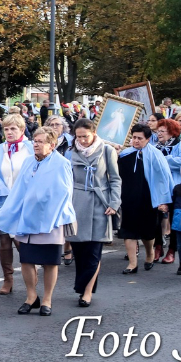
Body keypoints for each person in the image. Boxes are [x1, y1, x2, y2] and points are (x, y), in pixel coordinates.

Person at [0, 127, 75, 317]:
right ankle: (31, 296)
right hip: (27, 219)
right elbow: (19, 190)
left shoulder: (61, 163)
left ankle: (47, 300)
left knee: (50, 262)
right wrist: (8, 211)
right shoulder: (28, 161)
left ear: (52, 145)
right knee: (27, 260)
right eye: (35, 141)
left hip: (50, 220)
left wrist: (47, 209)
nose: (36, 144)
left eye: (40, 141)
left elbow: (65, 193)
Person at [65, 119, 121, 307]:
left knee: (94, 251)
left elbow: (115, 179)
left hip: (100, 203)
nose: (82, 140)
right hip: (77, 203)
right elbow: (65, 180)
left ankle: (87, 291)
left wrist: (114, 203)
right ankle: (83, 287)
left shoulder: (107, 151)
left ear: (94, 133)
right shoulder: (70, 152)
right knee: (79, 251)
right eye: (78, 137)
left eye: (85, 136)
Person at [0, 113, 32, 294]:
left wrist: (21, 194)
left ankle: (31, 280)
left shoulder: (30, 149)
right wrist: (2, 192)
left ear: (22, 129)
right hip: (4, 202)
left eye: (13, 128)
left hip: (24, 203)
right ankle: (8, 279)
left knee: (22, 242)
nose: (9, 132)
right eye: (6, 129)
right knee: (4, 242)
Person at [118, 124, 172, 273]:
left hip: (148, 198)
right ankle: (132, 264)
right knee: (128, 230)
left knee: (147, 232)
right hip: (128, 198)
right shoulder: (125, 154)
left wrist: (163, 199)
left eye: (140, 138)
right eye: (134, 137)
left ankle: (149, 253)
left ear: (148, 139)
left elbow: (163, 178)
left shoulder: (156, 155)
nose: (136, 141)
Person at [154, 118, 181, 263]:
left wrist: (165, 160)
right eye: (158, 131)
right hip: (158, 187)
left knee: (174, 219)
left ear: (171, 132)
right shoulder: (154, 147)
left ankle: (172, 250)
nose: (159, 134)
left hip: (175, 187)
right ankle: (158, 246)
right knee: (156, 218)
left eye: (162, 131)